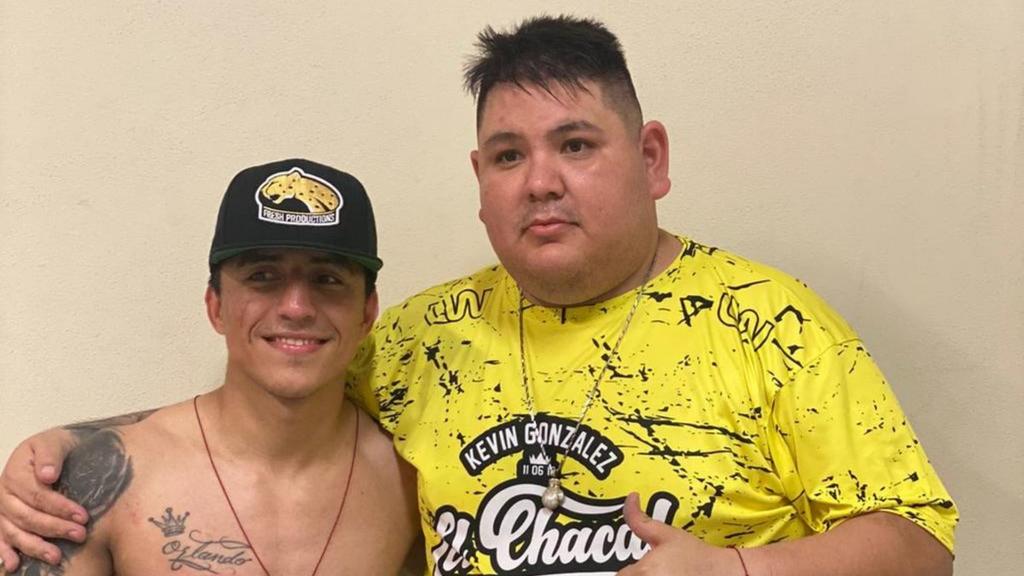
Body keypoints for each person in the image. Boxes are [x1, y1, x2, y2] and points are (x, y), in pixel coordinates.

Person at [0, 16, 956, 576]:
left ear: (651, 158)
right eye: (508, 155)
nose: (540, 181)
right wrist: (66, 450)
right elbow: (278, 381)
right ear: (481, 180)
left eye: (575, 145)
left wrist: (737, 569)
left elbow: (920, 542)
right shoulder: (423, 336)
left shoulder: (768, 321)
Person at [0, 159, 419, 575]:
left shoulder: (416, 479)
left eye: (327, 279)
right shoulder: (103, 482)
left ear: (367, 313)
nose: (296, 308)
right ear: (215, 307)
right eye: (263, 276)